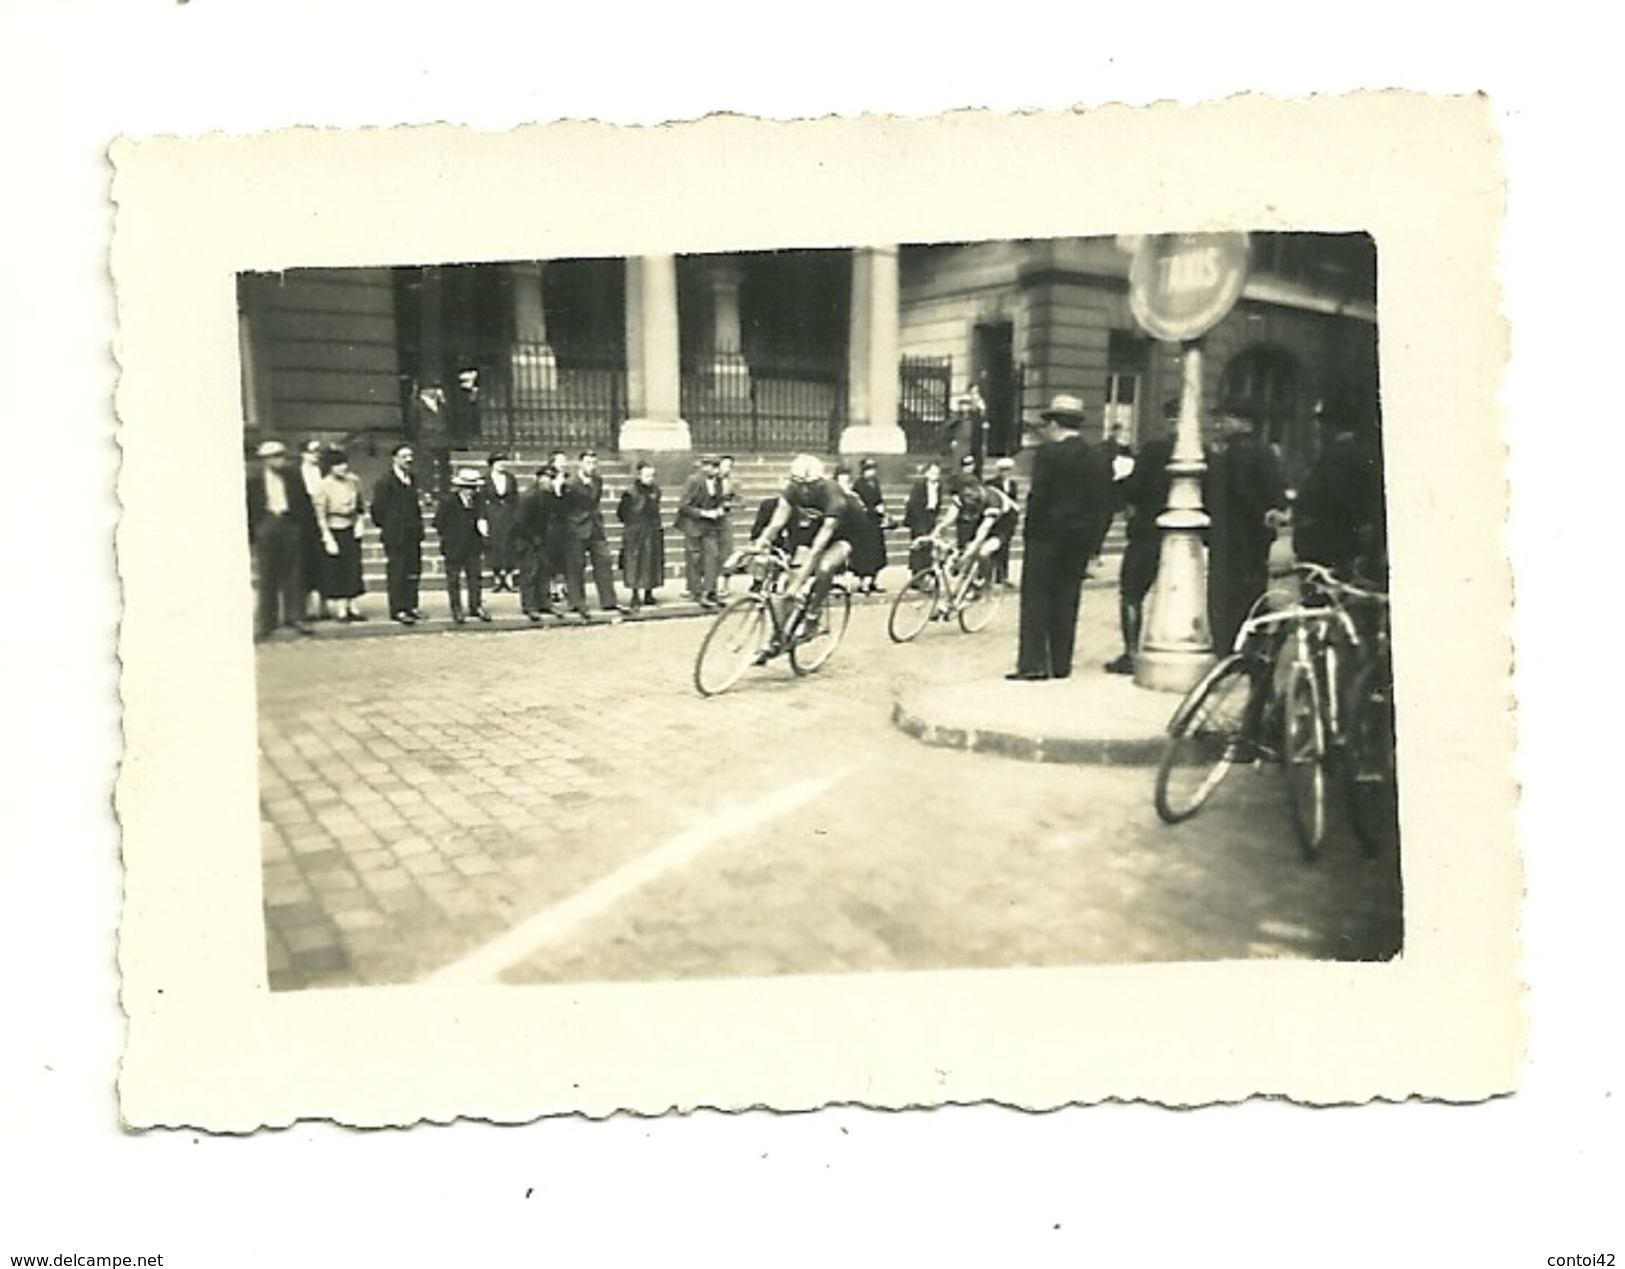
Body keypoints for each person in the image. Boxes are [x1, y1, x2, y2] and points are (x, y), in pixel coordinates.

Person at [1008, 394, 1113, 681]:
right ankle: (1060, 663)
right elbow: (1103, 504)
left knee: (1036, 600)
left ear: (1054, 423)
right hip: (1078, 541)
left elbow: (1039, 497)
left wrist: (1030, 531)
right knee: (1067, 599)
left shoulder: (1048, 454)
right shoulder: (1097, 457)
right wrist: (1094, 546)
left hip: (1045, 538)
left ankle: (1033, 664)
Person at [746, 454, 861, 640]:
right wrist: (759, 545)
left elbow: (819, 547)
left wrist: (799, 583)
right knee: (792, 575)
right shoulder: (792, 489)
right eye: (800, 485)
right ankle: (779, 637)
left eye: (811, 486)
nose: (805, 490)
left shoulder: (833, 496)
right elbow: (776, 523)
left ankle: (813, 616)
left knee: (825, 567)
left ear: (820, 482)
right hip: (815, 526)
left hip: (846, 530)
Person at [1205, 402, 1289, 651]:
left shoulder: (1231, 455)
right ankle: (1249, 647)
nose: (1219, 425)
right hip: (1253, 538)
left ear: (1245, 422)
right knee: (1250, 592)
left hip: (1232, 535)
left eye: (1226, 419)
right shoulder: (1264, 452)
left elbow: (1238, 493)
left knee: (1225, 594)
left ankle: (1228, 647)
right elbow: (1277, 494)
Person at [1105, 401, 1176, 674]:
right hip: (1185, 536)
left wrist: (1122, 486)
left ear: (1169, 419)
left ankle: (1132, 654)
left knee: (1131, 592)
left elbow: (1134, 488)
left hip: (1147, 532)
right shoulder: (1203, 452)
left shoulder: (1154, 450)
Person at [1292, 404, 1383, 582]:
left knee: (1325, 595)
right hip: (1337, 541)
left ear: (1332, 426)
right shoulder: (1355, 453)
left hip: (1328, 543)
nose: (1318, 431)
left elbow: (1332, 496)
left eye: (1321, 425)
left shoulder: (1339, 456)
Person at [246, 440, 318, 641]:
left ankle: (296, 616)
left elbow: (304, 502)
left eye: (282, 455)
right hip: (267, 524)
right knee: (267, 574)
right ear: (265, 460)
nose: (280, 460)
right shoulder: (254, 479)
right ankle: (266, 621)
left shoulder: (293, 476)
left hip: (289, 523)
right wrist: (256, 530)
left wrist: (301, 526)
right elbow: (249, 507)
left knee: (295, 572)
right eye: (275, 456)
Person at [560, 450, 628, 619]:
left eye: (594, 463)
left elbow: (594, 503)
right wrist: (571, 526)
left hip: (595, 528)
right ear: (580, 464)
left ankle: (608, 600)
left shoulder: (598, 480)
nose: (592, 466)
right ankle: (577, 602)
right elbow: (564, 509)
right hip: (576, 529)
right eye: (588, 463)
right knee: (576, 566)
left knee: (604, 562)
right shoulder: (570, 484)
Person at [370, 441, 427, 625]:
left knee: (413, 571)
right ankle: (398, 609)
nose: (408, 460)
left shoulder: (413, 478)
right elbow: (377, 510)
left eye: (410, 456)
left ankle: (411, 605)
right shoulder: (384, 482)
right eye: (404, 456)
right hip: (395, 534)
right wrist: (390, 525)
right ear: (394, 458)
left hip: (412, 533)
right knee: (397, 571)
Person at [313, 446, 367, 623]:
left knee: (353, 568)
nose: (343, 467)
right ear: (330, 466)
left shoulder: (353, 481)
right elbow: (320, 514)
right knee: (339, 569)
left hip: (350, 528)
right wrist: (327, 537)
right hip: (334, 528)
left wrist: (359, 524)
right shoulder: (323, 485)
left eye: (344, 463)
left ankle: (353, 605)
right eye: (338, 464)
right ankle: (341, 608)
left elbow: (360, 506)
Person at [433, 467, 491, 624]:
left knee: (475, 577)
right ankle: (456, 608)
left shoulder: (478, 500)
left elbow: (483, 517)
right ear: (460, 487)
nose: (471, 491)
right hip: (454, 546)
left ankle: (476, 605)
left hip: (473, 545)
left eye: (473, 488)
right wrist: (451, 536)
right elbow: (438, 523)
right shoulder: (448, 501)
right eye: (467, 488)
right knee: (454, 579)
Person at [676, 455, 728, 609]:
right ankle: (697, 592)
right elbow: (684, 506)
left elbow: (718, 500)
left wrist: (719, 509)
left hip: (710, 525)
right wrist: (705, 513)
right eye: (714, 466)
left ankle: (710, 591)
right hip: (693, 525)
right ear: (705, 467)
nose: (717, 470)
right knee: (695, 559)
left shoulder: (718, 481)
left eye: (717, 466)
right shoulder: (693, 481)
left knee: (713, 556)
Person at [513, 464, 562, 622]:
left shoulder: (549, 496)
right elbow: (520, 522)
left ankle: (544, 603)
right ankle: (530, 606)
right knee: (530, 573)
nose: (548, 482)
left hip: (543, 540)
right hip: (528, 540)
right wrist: (533, 538)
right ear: (539, 479)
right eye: (546, 478)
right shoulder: (529, 496)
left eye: (551, 479)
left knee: (544, 572)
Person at [617, 461, 666, 608]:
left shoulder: (656, 490)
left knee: (652, 561)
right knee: (634, 561)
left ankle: (649, 592)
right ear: (639, 475)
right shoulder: (630, 492)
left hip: (652, 529)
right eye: (647, 475)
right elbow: (621, 513)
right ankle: (635, 594)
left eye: (652, 475)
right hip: (635, 531)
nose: (650, 478)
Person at [297, 439, 330, 619]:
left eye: (318, 452)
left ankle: (324, 605)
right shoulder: (296, 473)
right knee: (306, 564)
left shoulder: (323, 472)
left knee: (324, 563)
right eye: (312, 452)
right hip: (304, 523)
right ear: (303, 454)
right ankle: (309, 607)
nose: (315, 456)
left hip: (323, 520)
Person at [481, 451, 522, 593]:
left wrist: (517, 514)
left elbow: (516, 497)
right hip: (493, 514)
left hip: (509, 514)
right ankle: (497, 577)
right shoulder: (486, 479)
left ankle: (509, 576)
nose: (501, 465)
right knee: (495, 545)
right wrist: (483, 517)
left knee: (510, 544)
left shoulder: (510, 478)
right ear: (492, 464)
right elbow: (481, 499)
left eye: (503, 462)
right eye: (498, 462)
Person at [850, 457, 889, 594]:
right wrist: (873, 510)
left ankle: (873, 580)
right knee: (865, 553)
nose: (872, 472)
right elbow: (858, 505)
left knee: (876, 552)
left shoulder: (875, 483)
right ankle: (864, 582)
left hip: (875, 524)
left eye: (873, 469)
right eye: (869, 469)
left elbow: (879, 499)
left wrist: (882, 510)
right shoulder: (858, 485)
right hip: (864, 524)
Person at [408, 380, 452, 499]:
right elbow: (413, 423)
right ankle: (428, 491)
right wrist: (419, 437)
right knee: (427, 467)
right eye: (432, 388)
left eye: (435, 389)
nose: (434, 391)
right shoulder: (417, 405)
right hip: (426, 440)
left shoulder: (440, 404)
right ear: (424, 391)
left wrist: (443, 401)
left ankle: (445, 490)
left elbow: (448, 418)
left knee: (445, 466)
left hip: (442, 439)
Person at [902, 461, 946, 577]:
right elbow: (913, 504)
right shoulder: (919, 485)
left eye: (937, 473)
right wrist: (918, 522)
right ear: (926, 473)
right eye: (932, 472)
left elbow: (938, 502)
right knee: (919, 545)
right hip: (919, 517)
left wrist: (935, 515)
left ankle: (926, 570)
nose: (935, 475)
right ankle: (916, 573)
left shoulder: (939, 485)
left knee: (929, 545)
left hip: (930, 516)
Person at [985, 456, 1021, 586]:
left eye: (1008, 470)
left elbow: (1014, 502)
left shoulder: (1013, 485)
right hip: (996, 520)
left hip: (1007, 521)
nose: (1006, 473)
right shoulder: (991, 484)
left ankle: (1002, 577)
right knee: (991, 548)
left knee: (1005, 548)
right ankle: (988, 577)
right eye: (1003, 470)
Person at [715, 454, 738, 597]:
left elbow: (742, 501)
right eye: (725, 465)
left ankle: (724, 584)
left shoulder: (733, 482)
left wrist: (729, 504)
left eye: (730, 466)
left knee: (726, 551)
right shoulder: (711, 481)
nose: (727, 469)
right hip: (711, 519)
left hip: (725, 518)